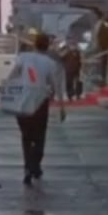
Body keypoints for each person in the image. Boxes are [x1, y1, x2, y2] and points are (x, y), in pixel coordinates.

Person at [12, 33, 66, 186]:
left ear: (34, 44)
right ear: (48, 46)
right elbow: (56, 86)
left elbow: (12, 77)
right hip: (39, 103)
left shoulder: (22, 58)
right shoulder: (50, 63)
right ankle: (35, 164)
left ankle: (28, 168)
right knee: (39, 137)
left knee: (26, 137)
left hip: (22, 102)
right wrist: (61, 107)